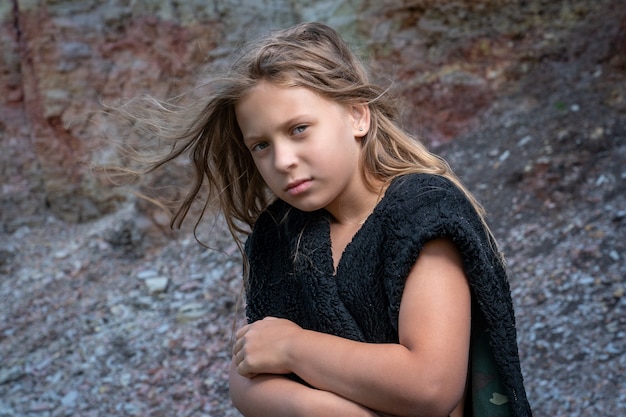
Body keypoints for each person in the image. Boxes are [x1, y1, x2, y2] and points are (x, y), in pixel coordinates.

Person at [116, 21, 532, 416]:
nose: (282, 160)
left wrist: (294, 348)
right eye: (260, 145)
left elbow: (430, 386)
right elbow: (247, 372)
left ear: (357, 115)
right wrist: (322, 409)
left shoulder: (422, 213)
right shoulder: (279, 235)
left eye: (298, 129)